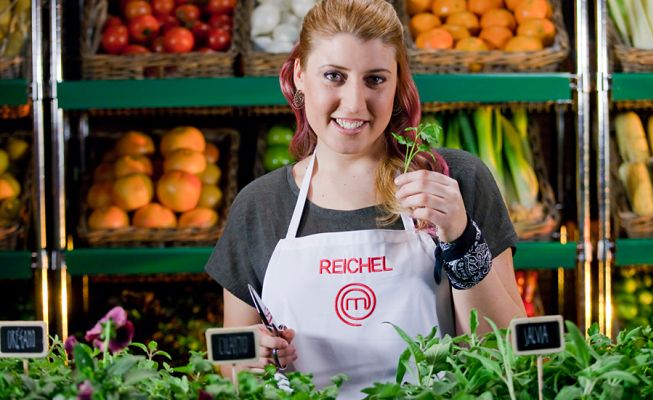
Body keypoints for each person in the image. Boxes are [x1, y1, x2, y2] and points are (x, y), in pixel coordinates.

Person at [205, 0, 526, 397]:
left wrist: (460, 237)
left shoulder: (454, 181)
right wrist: (249, 357)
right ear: (300, 76)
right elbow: (226, 366)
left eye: (375, 80)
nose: (354, 103)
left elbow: (511, 354)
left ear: (397, 85)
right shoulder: (260, 205)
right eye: (333, 76)